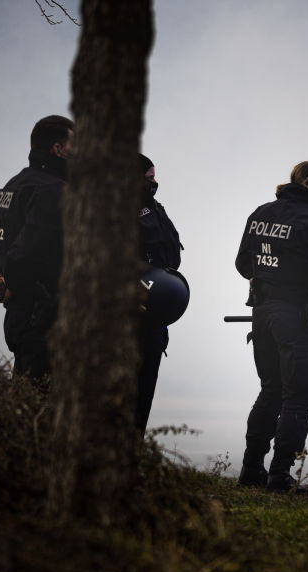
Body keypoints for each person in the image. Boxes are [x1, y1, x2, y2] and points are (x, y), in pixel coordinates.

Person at [234, 161, 308, 493]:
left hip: (262, 313)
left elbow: (244, 265)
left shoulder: (261, 213)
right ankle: (280, 477)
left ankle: (250, 470)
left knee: (270, 391)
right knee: (298, 396)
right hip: (296, 318)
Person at [0, 115, 73, 380]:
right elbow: (27, 251)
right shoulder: (55, 190)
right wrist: (10, 286)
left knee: (25, 399)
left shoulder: (13, 185)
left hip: (20, 316)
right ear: (57, 148)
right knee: (44, 407)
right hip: (46, 317)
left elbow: (0, 244)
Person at [136, 154, 185, 430]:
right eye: (149, 178)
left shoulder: (155, 208)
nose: (155, 183)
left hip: (154, 316)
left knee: (143, 395)